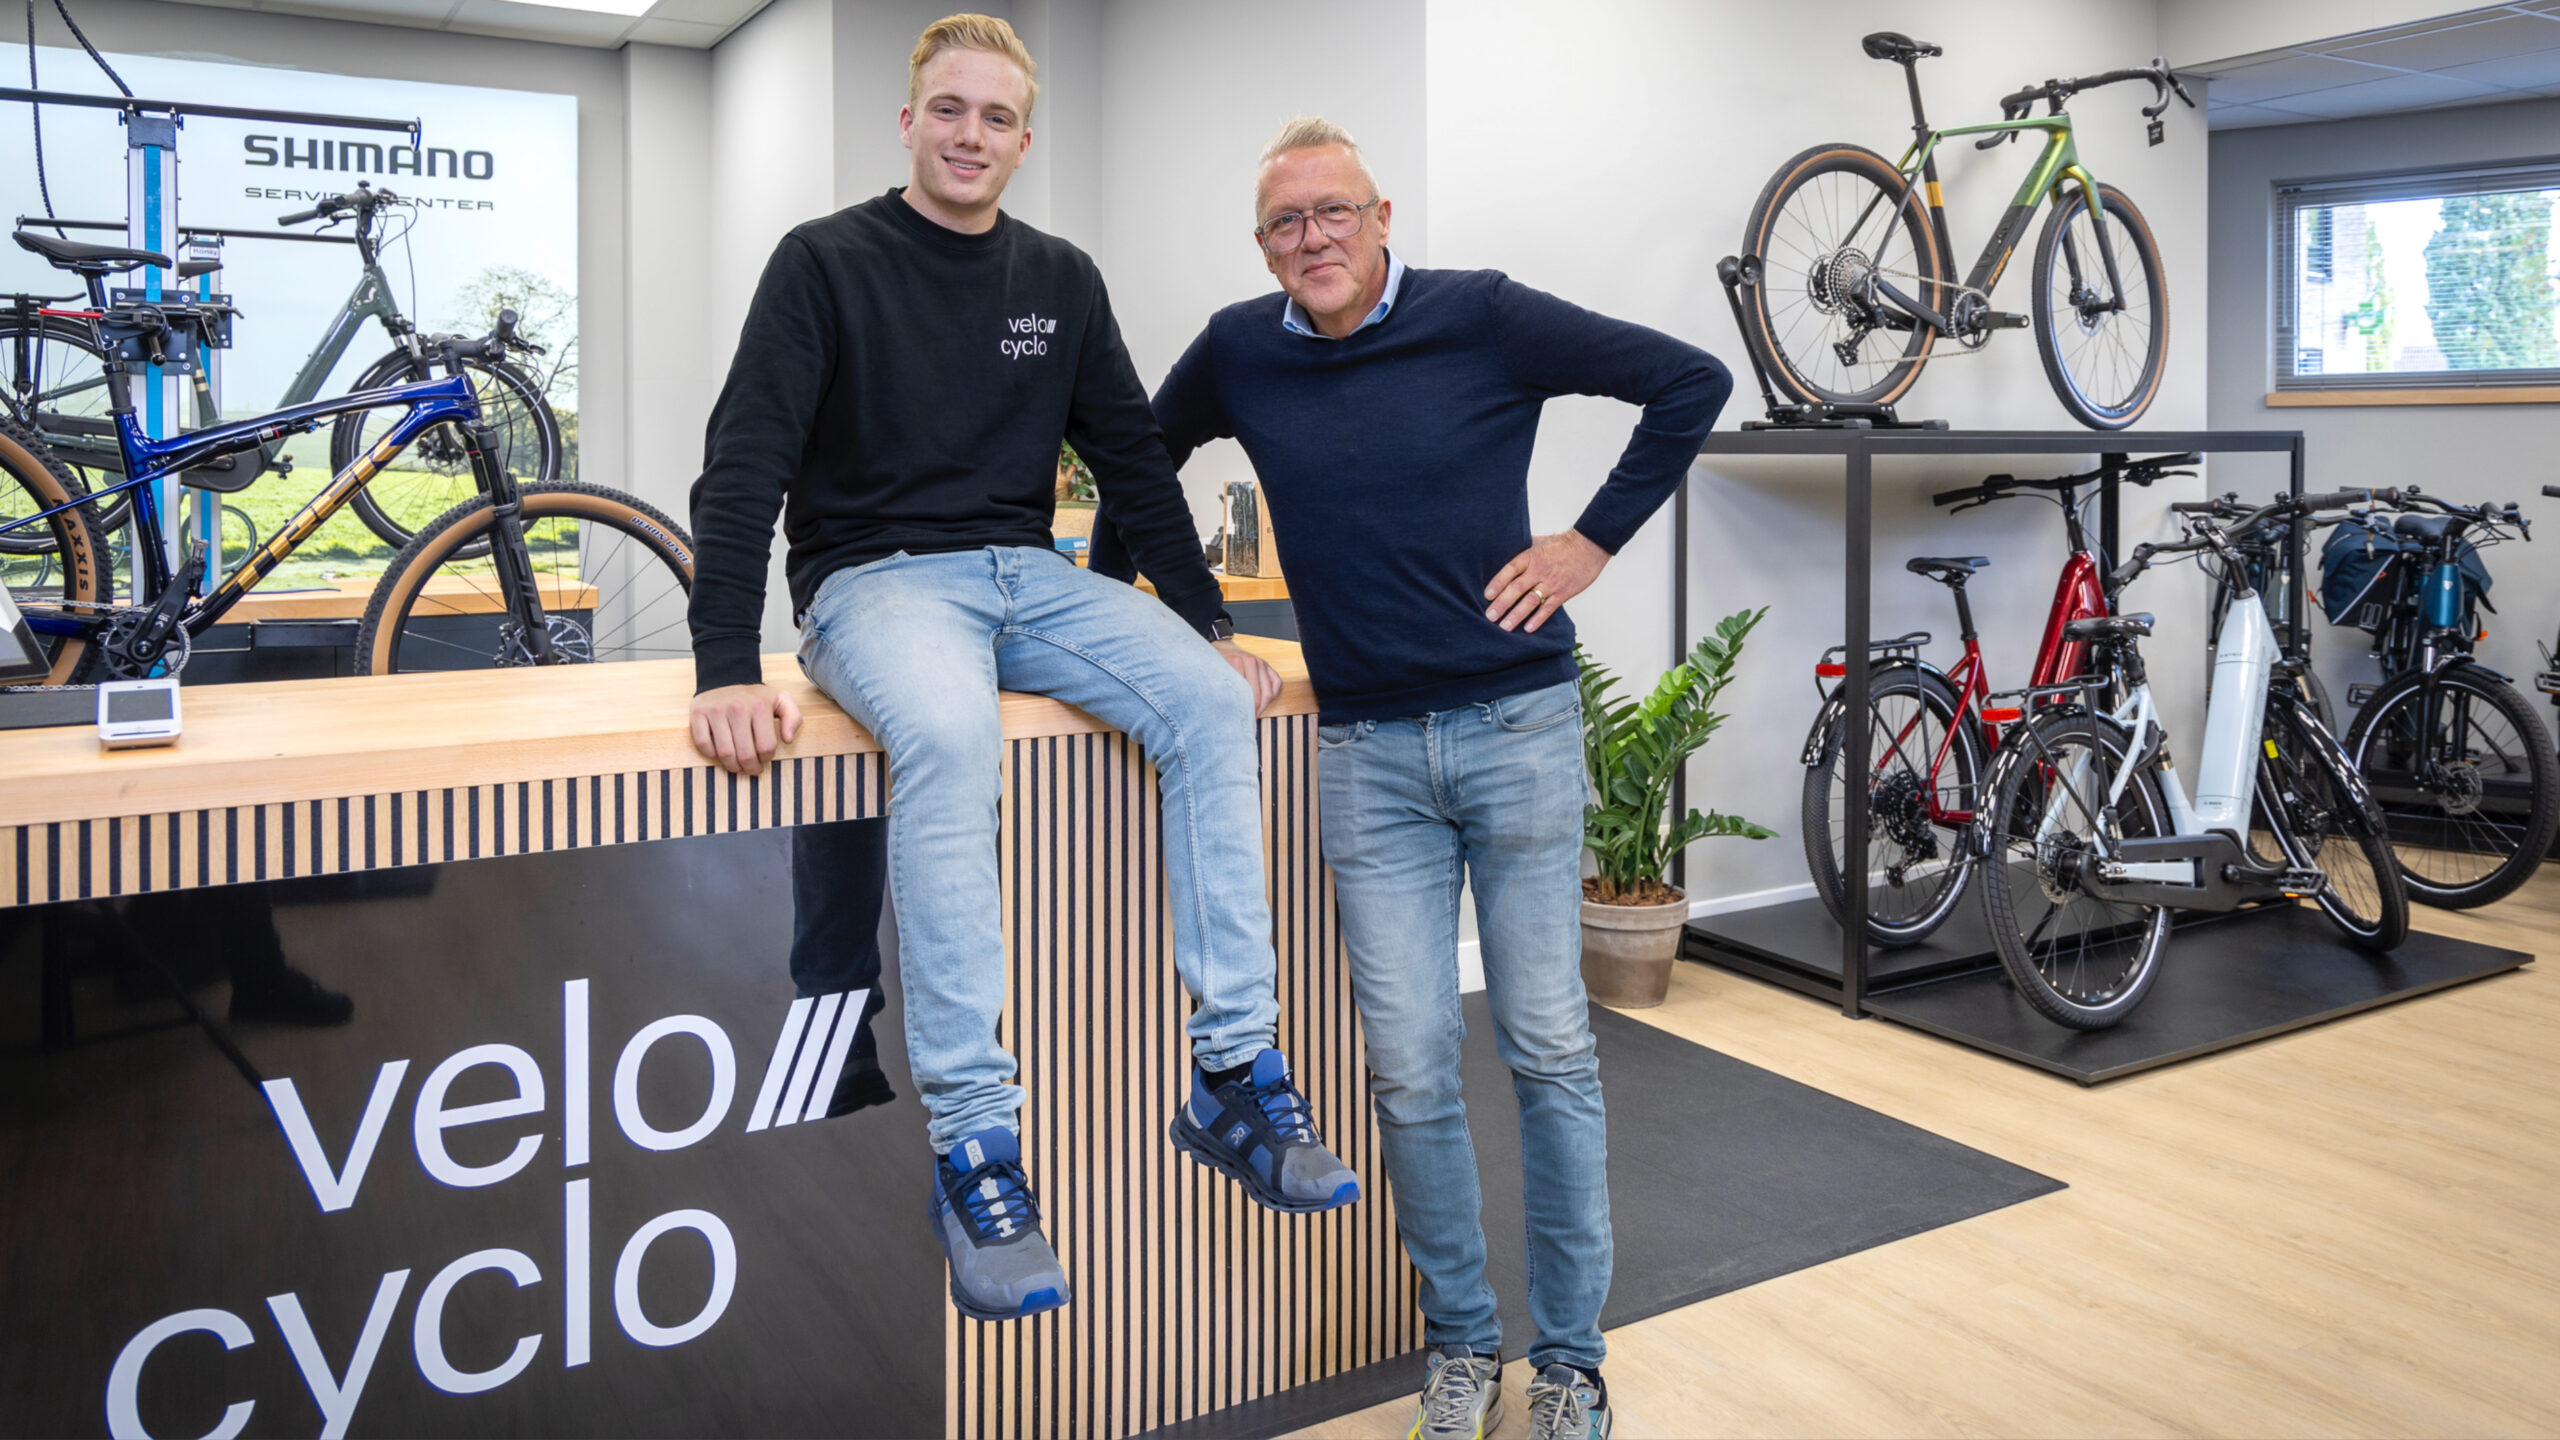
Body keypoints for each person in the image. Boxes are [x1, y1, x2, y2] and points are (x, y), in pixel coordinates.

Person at [683, 16, 1358, 1325]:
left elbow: (1133, 459)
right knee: (948, 737)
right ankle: (976, 1142)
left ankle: (1231, 1072)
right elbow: (745, 457)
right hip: (872, 581)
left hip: (1026, 571)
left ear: (1025, 141)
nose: (971, 136)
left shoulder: (1058, 276)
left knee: (1214, 706)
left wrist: (1212, 621)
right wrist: (722, 656)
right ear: (908, 121)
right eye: (950, 111)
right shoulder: (824, 262)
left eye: (997, 119)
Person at [1095, 117, 1730, 1440]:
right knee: (1410, 1067)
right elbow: (1134, 469)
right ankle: (1459, 1347)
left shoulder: (1484, 317)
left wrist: (1588, 544)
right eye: (1285, 224)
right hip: (1366, 758)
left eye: (1333, 214)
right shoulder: (1238, 350)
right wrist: (1181, 622)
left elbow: (1691, 379)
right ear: (1263, 245)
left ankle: (1568, 1360)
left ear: (1382, 218)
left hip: (1518, 731)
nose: (1312, 240)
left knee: (1549, 1046)